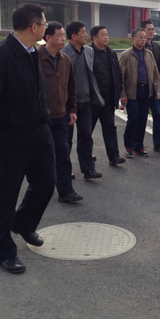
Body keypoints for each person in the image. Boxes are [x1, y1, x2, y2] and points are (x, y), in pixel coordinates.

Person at [0, 3, 56, 274]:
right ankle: (4, 251)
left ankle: (23, 223)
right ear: (34, 27)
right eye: (45, 24)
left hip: (39, 134)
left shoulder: (33, 51)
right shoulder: (0, 55)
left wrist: (45, 120)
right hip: (10, 140)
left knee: (46, 182)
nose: (46, 28)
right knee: (5, 197)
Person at [39, 22, 83, 204]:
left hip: (62, 116)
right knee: (43, 157)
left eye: (64, 35)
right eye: (60, 35)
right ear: (48, 37)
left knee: (63, 154)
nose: (63, 38)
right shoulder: (36, 58)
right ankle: (40, 190)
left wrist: (72, 110)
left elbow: (71, 87)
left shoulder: (65, 59)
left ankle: (65, 191)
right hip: (42, 118)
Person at [62, 21, 103, 180]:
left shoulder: (89, 51)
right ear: (73, 36)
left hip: (86, 102)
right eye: (83, 32)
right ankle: (65, 170)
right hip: (68, 104)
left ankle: (88, 169)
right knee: (66, 139)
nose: (86, 35)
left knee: (86, 136)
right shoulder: (64, 53)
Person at [119, 28, 160, 158]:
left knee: (143, 119)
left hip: (146, 91)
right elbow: (120, 77)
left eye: (144, 37)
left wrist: (158, 89)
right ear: (133, 38)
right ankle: (129, 146)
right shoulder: (126, 55)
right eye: (140, 37)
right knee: (133, 118)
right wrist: (122, 94)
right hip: (132, 92)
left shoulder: (149, 54)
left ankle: (139, 146)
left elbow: (155, 73)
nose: (143, 40)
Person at [89, 25, 126, 166]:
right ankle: (87, 155)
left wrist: (120, 93)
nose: (106, 37)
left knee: (110, 127)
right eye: (103, 35)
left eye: (107, 35)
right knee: (88, 129)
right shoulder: (88, 52)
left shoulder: (111, 53)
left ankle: (114, 156)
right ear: (94, 38)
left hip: (108, 98)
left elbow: (118, 73)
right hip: (93, 99)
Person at [142, 20, 160, 152]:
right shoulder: (139, 47)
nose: (151, 32)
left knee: (158, 114)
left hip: (155, 86)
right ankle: (138, 144)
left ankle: (159, 142)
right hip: (142, 86)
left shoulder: (156, 47)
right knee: (141, 116)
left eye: (152, 29)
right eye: (148, 29)